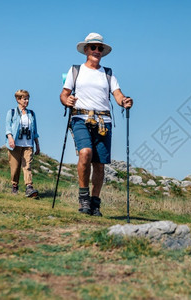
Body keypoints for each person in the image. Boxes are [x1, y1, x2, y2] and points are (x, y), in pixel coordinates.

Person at [60, 32, 133, 216]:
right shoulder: (75, 70)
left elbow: (117, 94)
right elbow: (64, 93)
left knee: (99, 164)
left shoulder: (108, 73)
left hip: (104, 121)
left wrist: (124, 101)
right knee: (85, 153)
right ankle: (83, 200)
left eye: (100, 48)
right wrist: (66, 101)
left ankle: (95, 202)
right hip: (80, 118)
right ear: (86, 50)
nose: (97, 51)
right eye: (93, 47)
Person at [5, 89, 40, 197]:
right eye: (24, 99)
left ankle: (29, 187)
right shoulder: (11, 112)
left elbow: (35, 131)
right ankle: (14, 185)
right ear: (18, 99)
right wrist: (10, 138)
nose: (27, 101)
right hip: (15, 144)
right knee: (15, 168)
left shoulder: (31, 114)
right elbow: (8, 128)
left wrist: (37, 145)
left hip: (28, 145)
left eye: (28, 99)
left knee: (27, 166)